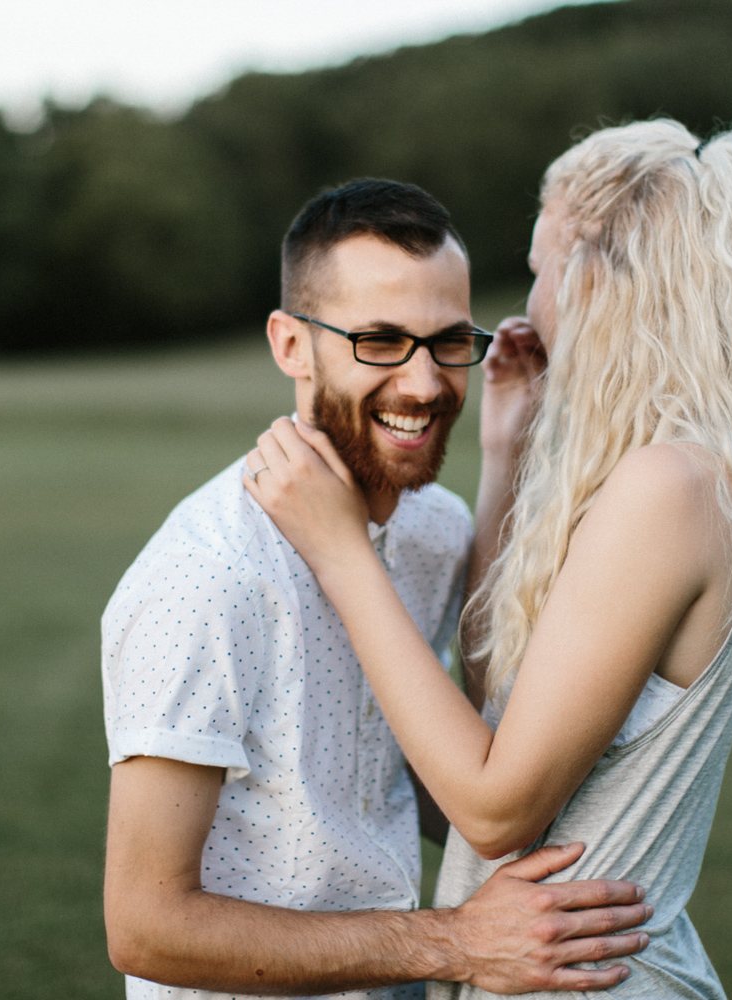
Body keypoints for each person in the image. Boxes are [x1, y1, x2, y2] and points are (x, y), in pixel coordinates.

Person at [244, 121, 732, 998]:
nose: (530, 302)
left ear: (600, 278)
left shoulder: (669, 488)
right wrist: (508, 458)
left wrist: (341, 552)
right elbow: (491, 709)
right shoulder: (661, 478)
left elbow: (490, 809)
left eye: (541, 266)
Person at [100, 178, 654, 1000]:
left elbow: (414, 768)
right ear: (291, 346)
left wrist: (505, 457)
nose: (426, 385)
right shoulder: (206, 578)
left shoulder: (432, 529)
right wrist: (455, 942)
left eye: (445, 340)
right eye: (381, 342)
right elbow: (146, 926)